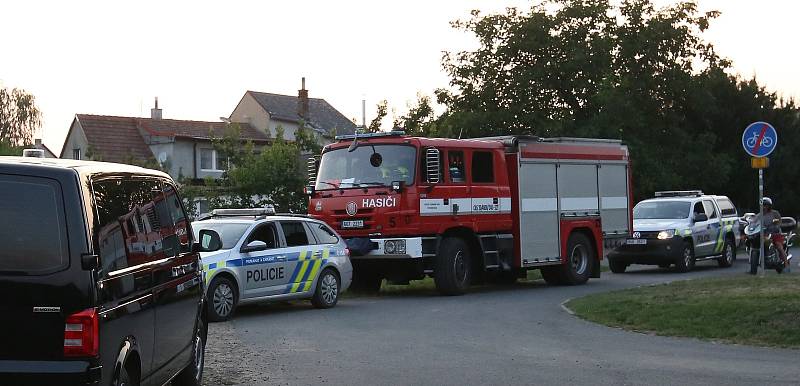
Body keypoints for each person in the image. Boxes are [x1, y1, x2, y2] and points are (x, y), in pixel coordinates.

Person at [755, 197, 789, 270]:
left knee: (779, 247)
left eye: (765, 205)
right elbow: (754, 223)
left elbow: (779, 221)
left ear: (769, 206)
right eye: (762, 205)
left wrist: (776, 225)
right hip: (765, 235)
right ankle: (757, 263)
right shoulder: (758, 216)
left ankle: (786, 266)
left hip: (775, 234)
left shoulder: (774, 213)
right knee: (758, 244)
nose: (764, 206)